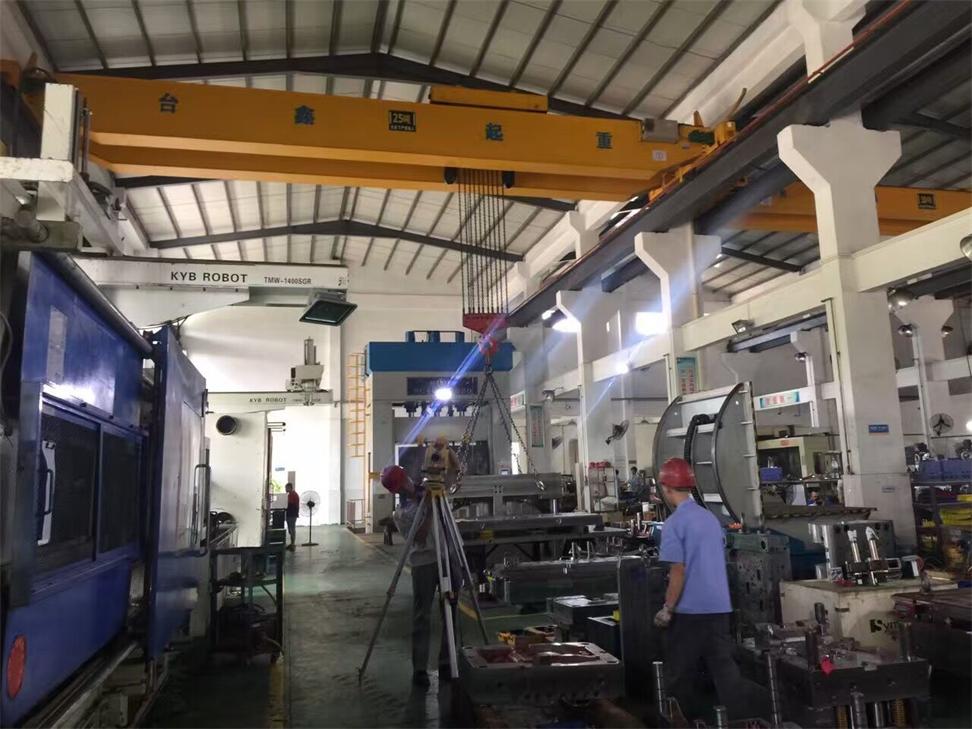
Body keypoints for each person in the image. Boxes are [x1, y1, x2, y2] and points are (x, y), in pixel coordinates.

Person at [653, 457, 750, 720]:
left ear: (666, 488)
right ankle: (741, 721)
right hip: (719, 608)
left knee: (679, 675)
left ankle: (680, 722)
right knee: (724, 671)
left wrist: (667, 609)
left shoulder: (674, 524)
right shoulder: (710, 519)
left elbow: (678, 571)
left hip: (689, 612)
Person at [381, 451, 460, 689]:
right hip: (424, 564)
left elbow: (455, 473)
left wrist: (446, 452)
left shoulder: (429, 488)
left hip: (447, 556)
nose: (405, 484)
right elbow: (420, 536)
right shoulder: (401, 513)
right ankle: (420, 670)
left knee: (451, 612)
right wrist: (428, 505)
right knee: (422, 616)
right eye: (400, 483)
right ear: (395, 490)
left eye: (404, 478)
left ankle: (448, 663)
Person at [285, 482, 299, 551]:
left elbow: (290, 504)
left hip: (292, 514)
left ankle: (293, 544)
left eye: (286, 488)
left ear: (290, 488)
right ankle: (292, 543)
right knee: (290, 529)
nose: (285, 489)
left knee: (292, 529)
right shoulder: (290, 494)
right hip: (290, 513)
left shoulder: (293, 494)